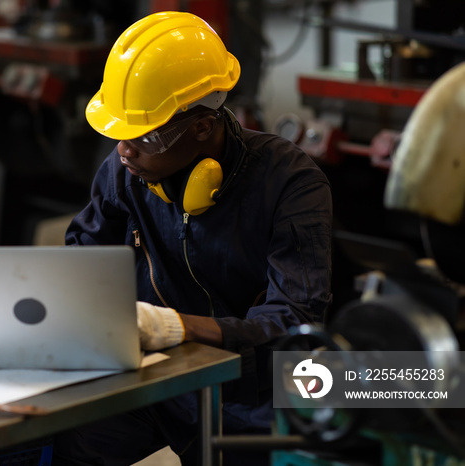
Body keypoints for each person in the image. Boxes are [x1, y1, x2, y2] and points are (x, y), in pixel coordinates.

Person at [52, 11, 333, 466]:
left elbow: (294, 321)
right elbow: (83, 259)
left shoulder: (290, 182)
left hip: (251, 389)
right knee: (57, 441)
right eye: (120, 132)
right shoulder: (127, 171)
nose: (124, 149)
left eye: (144, 135)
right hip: (152, 377)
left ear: (202, 126)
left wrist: (172, 327)